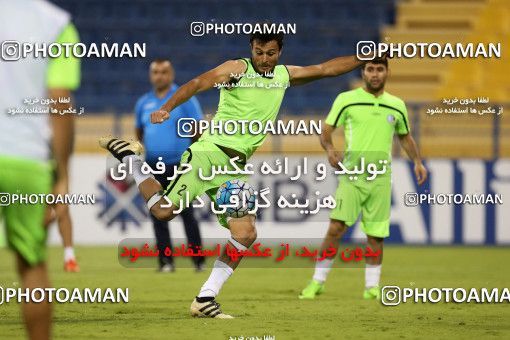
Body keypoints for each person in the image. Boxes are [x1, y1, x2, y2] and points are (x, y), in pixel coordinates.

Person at [100, 31, 376, 318]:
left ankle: (205, 298)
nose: (264, 59)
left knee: (245, 233)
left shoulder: (284, 75)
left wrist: (362, 57)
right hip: (209, 153)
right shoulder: (236, 69)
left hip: (233, 168)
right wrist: (166, 108)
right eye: (259, 52)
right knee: (164, 212)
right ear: (251, 49)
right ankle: (131, 159)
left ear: (279, 52)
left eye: (270, 53)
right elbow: (197, 83)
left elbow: (324, 70)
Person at [299, 58, 428, 300]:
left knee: (375, 235)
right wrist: (329, 149)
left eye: (380, 69)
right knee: (336, 228)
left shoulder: (397, 105)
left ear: (387, 72)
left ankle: (371, 286)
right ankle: (317, 282)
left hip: (381, 179)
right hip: (352, 177)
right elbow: (326, 131)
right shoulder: (346, 99)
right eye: (370, 69)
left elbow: (405, 137)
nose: (375, 74)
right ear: (363, 72)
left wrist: (418, 161)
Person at [0, 0, 80, 338]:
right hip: (26, 158)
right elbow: (59, 102)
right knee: (32, 266)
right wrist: (61, 175)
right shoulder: (56, 24)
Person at [135, 58, 205, 272]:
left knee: (187, 214)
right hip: (153, 166)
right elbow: (139, 132)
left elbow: (197, 129)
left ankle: (198, 261)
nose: (159, 76)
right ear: (151, 75)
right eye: (156, 72)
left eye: (164, 72)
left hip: (179, 165)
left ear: (171, 74)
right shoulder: (143, 102)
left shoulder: (184, 99)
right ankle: (166, 262)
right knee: (157, 216)